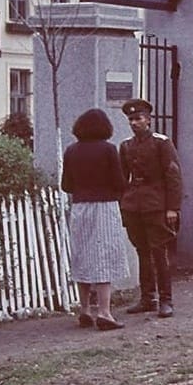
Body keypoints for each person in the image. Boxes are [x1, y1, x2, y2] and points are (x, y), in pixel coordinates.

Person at [61, 108, 130, 331]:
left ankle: (84, 310)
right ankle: (105, 312)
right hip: (105, 206)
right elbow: (119, 182)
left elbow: (66, 185)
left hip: (80, 208)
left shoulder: (71, 151)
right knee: (104, 256)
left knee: (83, 255)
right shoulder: (109, 150)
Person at [119, 98, 183, 318]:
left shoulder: (161, 143)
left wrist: (172, 208)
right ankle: (148, 298)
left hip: (156, 205)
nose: (134, 123)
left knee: (159, 252)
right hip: (133, 206)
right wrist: (123, 204)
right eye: (131, 119)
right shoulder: (126, 145)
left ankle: (166, 300)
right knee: (142, 252)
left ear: (148, 120)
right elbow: (122, 177)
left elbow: (173, 175)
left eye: (138, 118)